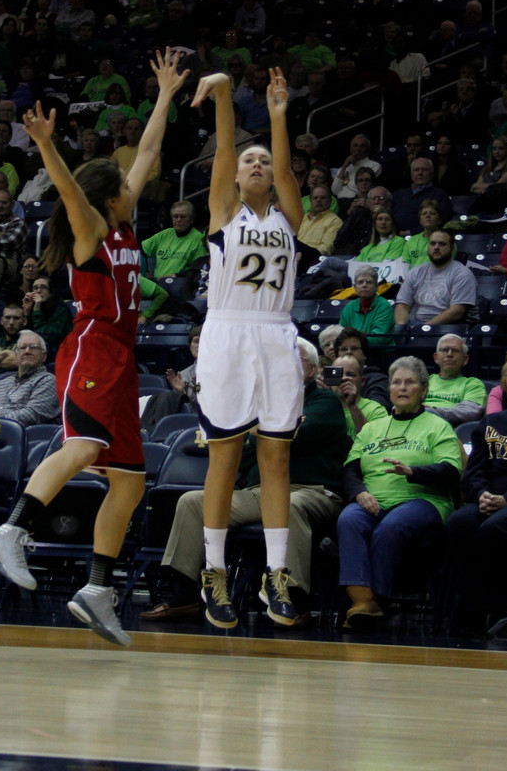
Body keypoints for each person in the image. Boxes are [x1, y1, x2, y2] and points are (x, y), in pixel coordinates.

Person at [0, 48, 189, 647]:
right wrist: (47, 145)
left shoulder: (125, 226)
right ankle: (11, 531)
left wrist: (166, 97)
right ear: (106, 198)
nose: (134, 184)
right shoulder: (92, 230)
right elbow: (72, 191)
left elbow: (146, 152)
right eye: (123, 184)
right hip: (92, 348)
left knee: (127, 482)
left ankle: (98, 588)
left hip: (124, 355)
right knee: (85, 443)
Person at [183, 65, 304, 630]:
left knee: (276, 456)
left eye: (262, 162)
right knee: (225, 460)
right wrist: (227, 94)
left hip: (277, 332)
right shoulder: (223, 212)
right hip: (228, 333)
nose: (255, 166)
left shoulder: (290, 216)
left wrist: (279, 116)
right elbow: (227, 146)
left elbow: (283, 167)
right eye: (247, 162)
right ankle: (214, 572)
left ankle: (275, 575)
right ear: (234, 176)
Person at [141, 339, 348, 625]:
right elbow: (244, 450)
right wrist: (260, 438)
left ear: (311, 369)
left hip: (313, 492)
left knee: (291, 505)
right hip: (258, 492)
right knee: (192, 501)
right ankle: (185, 596)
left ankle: (294, 599)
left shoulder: (325, 402)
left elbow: (286, 441)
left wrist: (255, 437)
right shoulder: (258, 404)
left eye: (292, 358)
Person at [337, 356, 462, 630]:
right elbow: (350, 470)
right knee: (349, 519)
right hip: (373, 499)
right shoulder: (372, 428)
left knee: (391, 527)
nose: (402, 388)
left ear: (424, 389)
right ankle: (363, 602)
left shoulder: (437, 426)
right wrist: (359, 494)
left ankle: (377, 600)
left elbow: (451, 472)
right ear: (390, 388)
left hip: (423, 501)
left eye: (410, 382)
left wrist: (414, 472)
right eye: (396, 382)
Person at [444, 348, 507, 634]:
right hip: (489, 497)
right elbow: (475, 470)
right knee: (459, 523)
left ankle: (490, 606)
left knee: (493, 529)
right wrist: (481, 495)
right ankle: (485, 604)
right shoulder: (491, 423)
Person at [394, 229, 477, 326]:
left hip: (448, 328)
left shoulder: (462, 274)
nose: (436, 247)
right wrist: (401, 327)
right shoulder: (415, 272)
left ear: (452, 249)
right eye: (433, 243)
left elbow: (457, 312)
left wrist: (423, 329)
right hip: (417, 325)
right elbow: (402, 305)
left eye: (442, 244)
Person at [423, 334, 486, 427]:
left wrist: (432, 411)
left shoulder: (473, 384)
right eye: (444, 350)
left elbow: (468, 412)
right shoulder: (425, 381)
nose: (449, 354)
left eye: (455, 350)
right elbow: (409, 404)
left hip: (452, 429)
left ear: (465, 359)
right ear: (436, 358)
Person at [141, 201, 207, 280]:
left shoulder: (198, 239)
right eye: (175, 216)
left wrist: (175, 276)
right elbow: (141, 249)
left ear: (191, 220)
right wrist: (146, 271)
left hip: (181, 283)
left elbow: (199, 268)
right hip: (159, 284)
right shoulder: (164, 234)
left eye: (183, 217)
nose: (178, 220)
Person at [339, 266, 395, 347]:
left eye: (369, 282)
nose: (364, 285)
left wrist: (352, 342)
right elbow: (341, 335)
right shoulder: (349, 308)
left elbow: (377, 339)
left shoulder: (384, 306)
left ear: (376, 286)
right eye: (360, 282)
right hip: (353, 351)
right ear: (355, 287)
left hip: (380, 353)